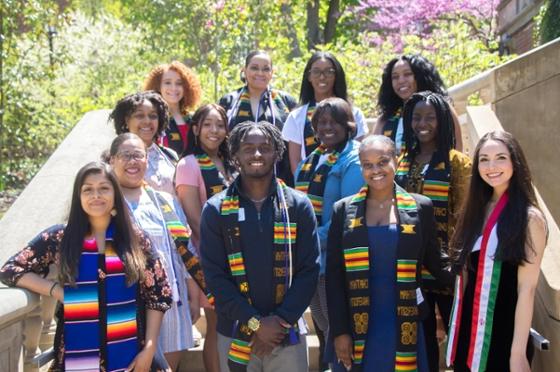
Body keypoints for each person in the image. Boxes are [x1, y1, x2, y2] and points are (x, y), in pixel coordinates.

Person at [0, 161, 173, 371]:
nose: (96, 195)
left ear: (115, 194)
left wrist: (150, 348)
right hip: (76, 355)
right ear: (78, 196)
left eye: (104, 188)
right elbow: (11, 269)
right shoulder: (61, 238)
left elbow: (158, 295)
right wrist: (56, 290)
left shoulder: (134, 239)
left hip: (131, 355)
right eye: (88, 189)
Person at [326, 135, 453, 372]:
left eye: (383, 161)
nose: (376, 170)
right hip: (358, 324)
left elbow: (436, 263)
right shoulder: (343, 210)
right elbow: (334, 278)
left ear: (397, 159)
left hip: (404, 323)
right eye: (367, 164)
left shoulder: (420, 206)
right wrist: (340, 330)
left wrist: (471, 271)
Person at [200, 121, 319, 372]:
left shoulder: (298, 206)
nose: (257, 154)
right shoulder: (216, 209)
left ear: (277, 152)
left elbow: (309, 270)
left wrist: (279, 322)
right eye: (248, 148)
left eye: (265, 148)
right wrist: (256, 324)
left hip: (286, 334)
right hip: (234, 333)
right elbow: (214, 277)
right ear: (234, 155)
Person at [446, 130, 547, 372]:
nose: (492, 166)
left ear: (515, 162)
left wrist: (517, 354)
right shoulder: (474, 212)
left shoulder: (528, 218)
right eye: (484, 159)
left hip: (503, 339)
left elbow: (527, 289)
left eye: (501, 157)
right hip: (467, 338)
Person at [107, 133, 209, 371]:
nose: (133, 161)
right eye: (126, 155)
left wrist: (194, 297)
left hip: (172, 303)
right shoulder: (105, 201)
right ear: (112, 160)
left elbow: (184, 252)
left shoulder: (166, 201)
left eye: (139, 155)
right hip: (125, 304)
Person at [394, 91, 472, 371]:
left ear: (442, 121)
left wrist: (459, 262)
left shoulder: (456, 163)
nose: (422, 123)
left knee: (460, 341)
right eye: (416, 117)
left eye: (430, 117)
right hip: (411, 268)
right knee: (421, 346)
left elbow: (466, 216)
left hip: (448, 267)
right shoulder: (403, 161)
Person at [293, 97, 363, 370]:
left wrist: (306, 243)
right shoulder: (311, 160)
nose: (326, 127)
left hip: (337, 260)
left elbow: (346, 215)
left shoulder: (353, 159)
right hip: (311, 261)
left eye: (333, 121)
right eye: (321, 122)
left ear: (348, 124)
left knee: (340, 330)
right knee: (324, 326)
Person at [175, 104, 235, 372]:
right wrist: (223, 252)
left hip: (237, 255)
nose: (214, 130)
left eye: (220, 125)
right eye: (208, 124)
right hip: (207, 258)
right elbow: (195, 219)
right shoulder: (188, 165)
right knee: (217, 324)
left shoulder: (231, 163)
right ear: (196, 129)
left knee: (233, 323)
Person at [282, 51, 369, 174]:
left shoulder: (354, 113)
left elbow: (358, 155)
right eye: (316, 71)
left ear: (336, 75)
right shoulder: (296, 116)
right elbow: (295, 162)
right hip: (308, 186)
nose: (322, 77)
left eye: (329, 71)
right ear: (309, 76)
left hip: (344, 179)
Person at [218, 50, 297, 185]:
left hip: (279, 176)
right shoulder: (230, 101)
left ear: (272, 73)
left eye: (266, 69)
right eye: (254, 68)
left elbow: (295, 143)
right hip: (236, 177)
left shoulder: (286, 102)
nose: (260, 73)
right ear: (244, 70)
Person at [373, 54, 463, 153]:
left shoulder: (442, 110)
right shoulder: (385, 119)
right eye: (395, 77)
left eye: (407, 74)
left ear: (421, 76)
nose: (401, 81)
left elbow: (456, 153)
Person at [110, 91, 178, 195]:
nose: (147, 121)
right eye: (139, 115)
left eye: (153, 116)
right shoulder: (115, 158)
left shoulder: (170, 155)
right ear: (127, 120)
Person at [144, 61, 202, 155]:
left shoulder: (193, 119)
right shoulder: (151, 118)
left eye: (179, 83)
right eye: (167, 83)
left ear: (186, 87)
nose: (173, 88)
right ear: (158, 86)